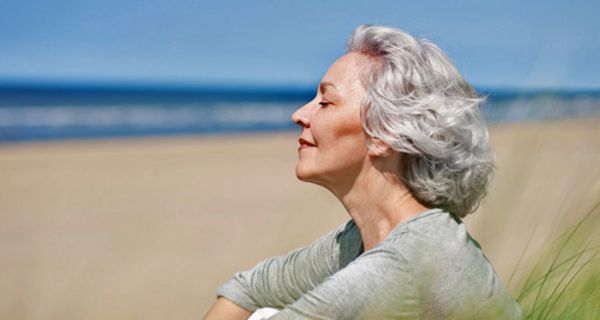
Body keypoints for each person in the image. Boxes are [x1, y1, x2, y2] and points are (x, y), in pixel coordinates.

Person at [203, 24, 521, 319]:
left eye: (325, 102)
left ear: (383, 135)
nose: (299, 114)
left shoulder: (405, 262)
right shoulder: (362, 238)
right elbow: (247, 288)